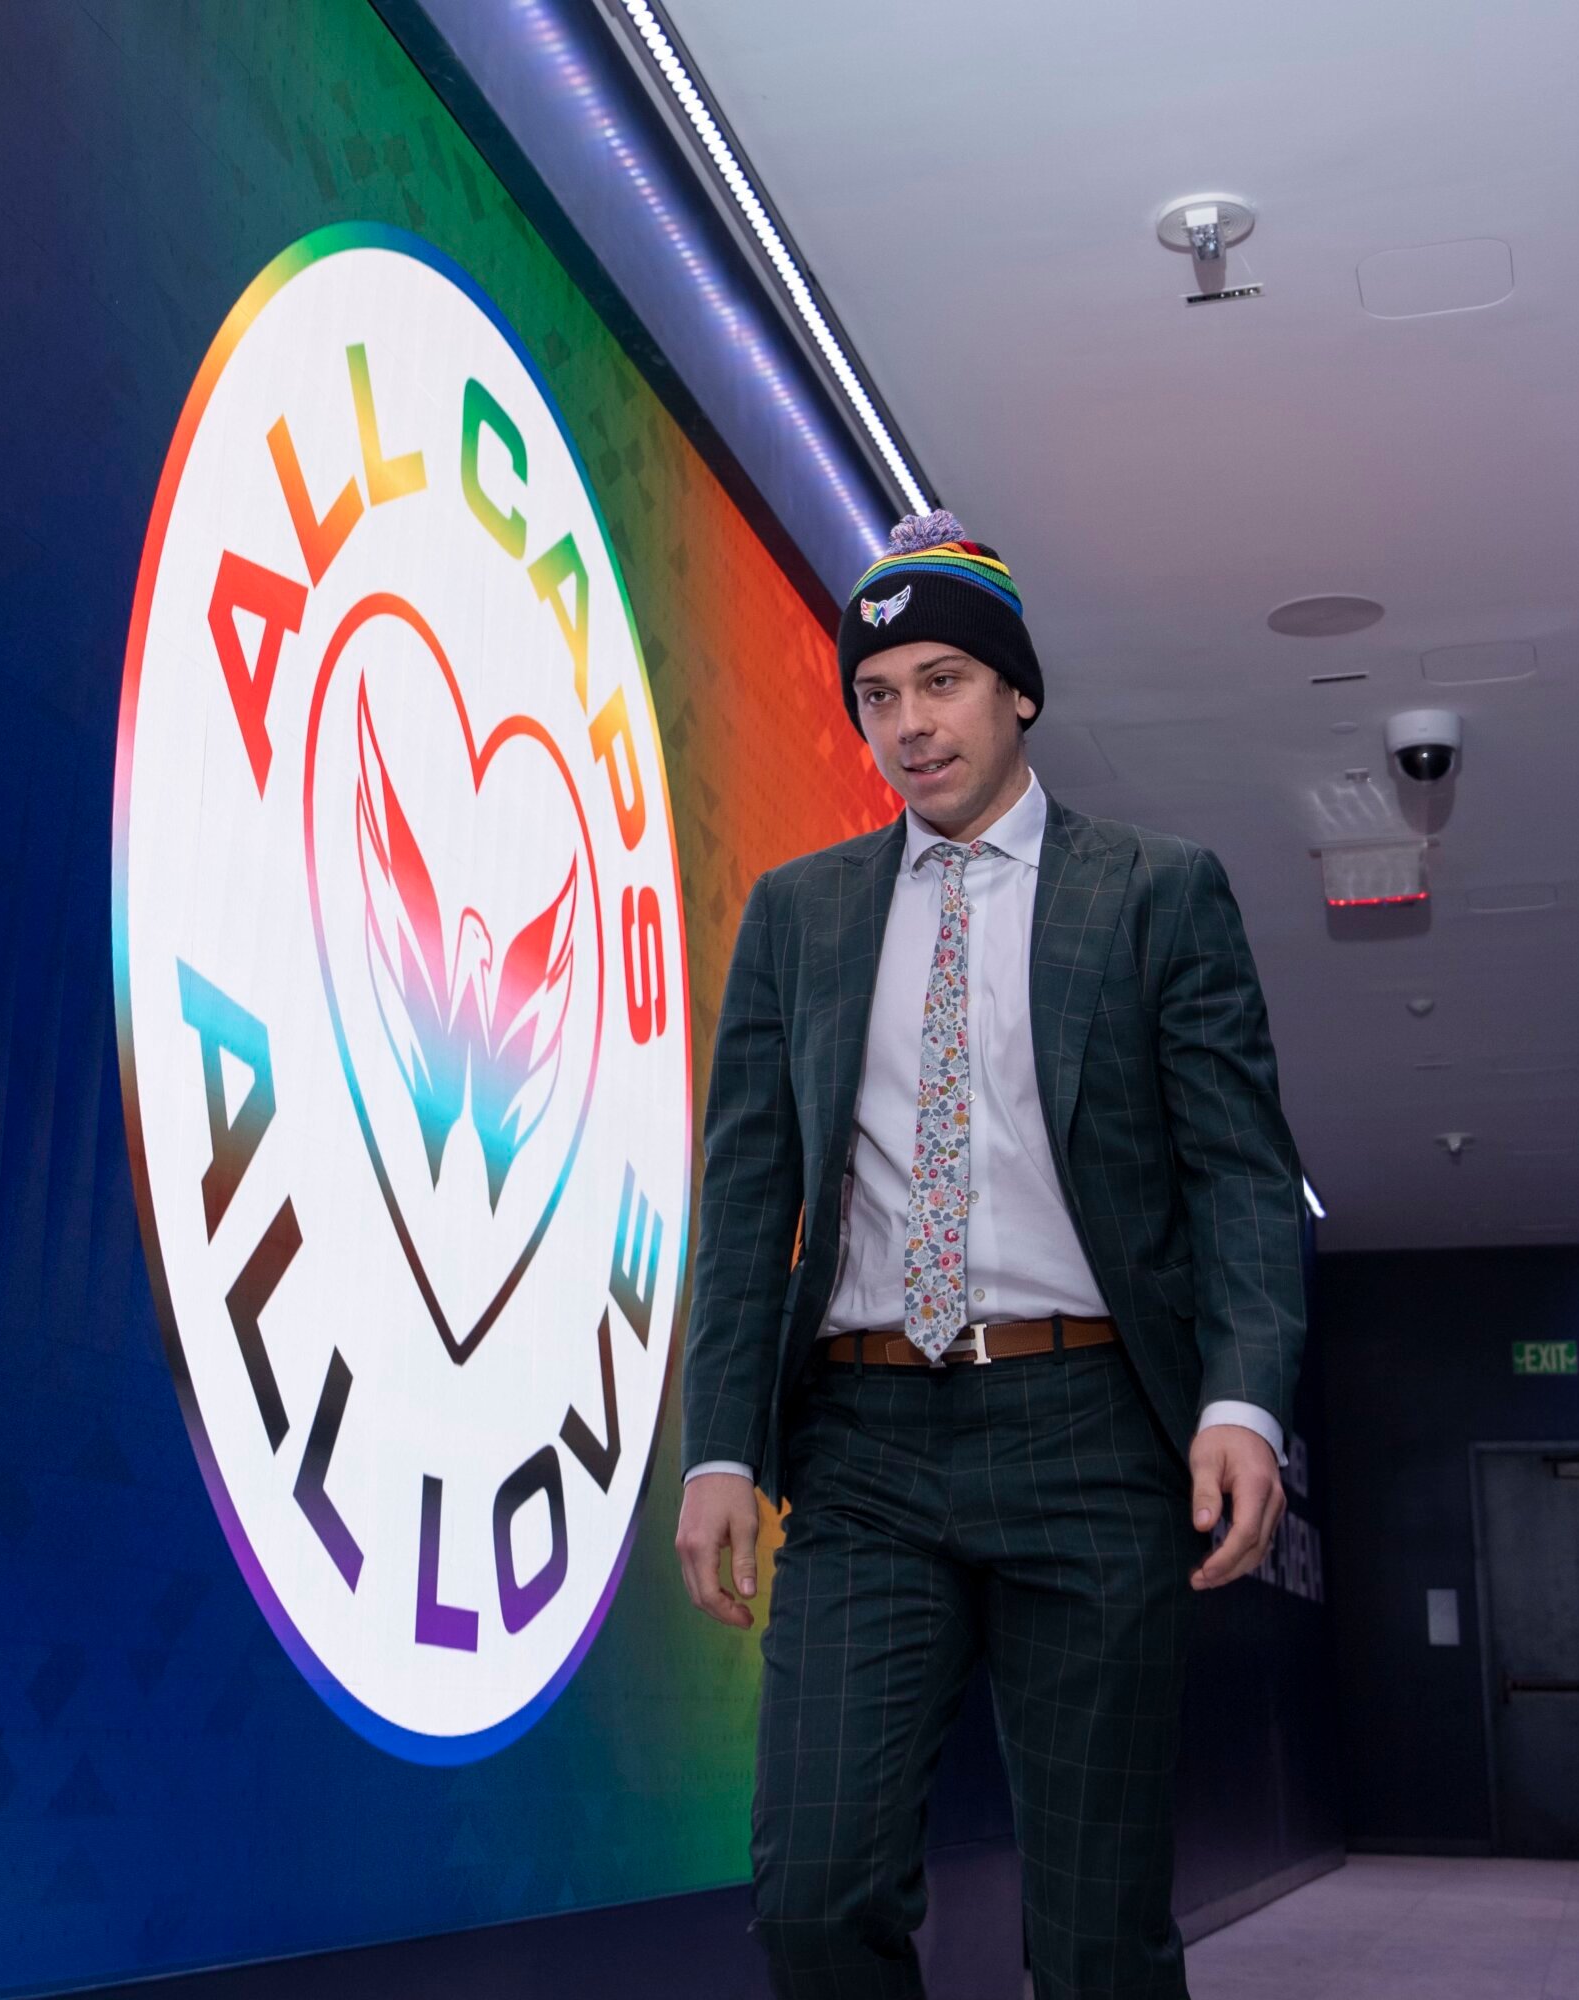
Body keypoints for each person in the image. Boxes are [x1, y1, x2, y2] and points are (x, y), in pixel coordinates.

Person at [673, 513, 1306, 1998]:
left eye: (942, 681)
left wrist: (1242, 1403)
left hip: (1089, 1434)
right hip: (866, 1446)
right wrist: (718, 1448)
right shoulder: (799, 918)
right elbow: (747, 1191)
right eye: (877, 697)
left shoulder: (1155, 892)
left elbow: (1240, 1179)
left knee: (1095, 1934)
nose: (909, 726)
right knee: (815, 1894)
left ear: (1017, 689)